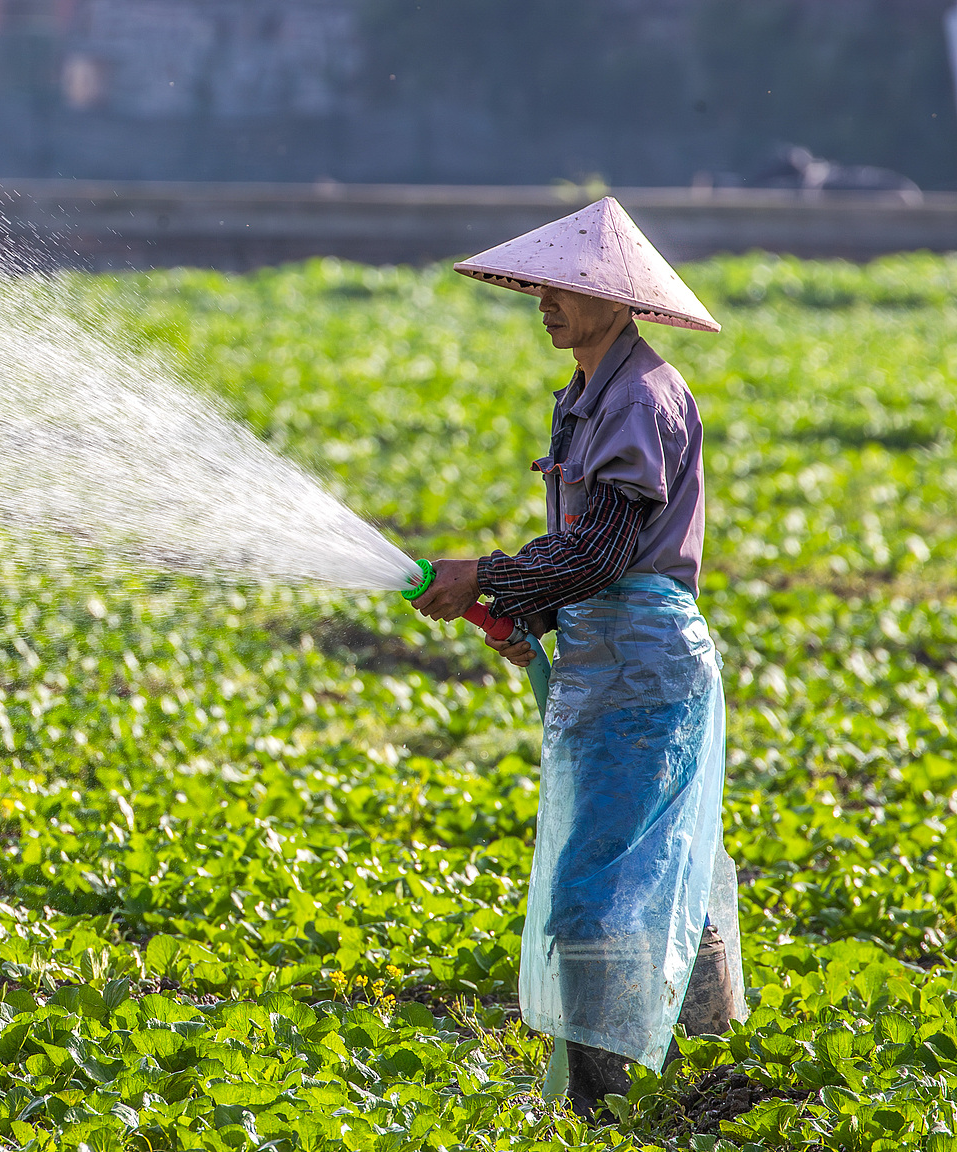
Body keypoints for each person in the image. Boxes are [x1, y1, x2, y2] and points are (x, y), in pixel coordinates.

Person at [409, 198, 744, 1118]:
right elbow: (592, 559)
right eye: (542, 285)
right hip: (610, 658)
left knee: (598, 886)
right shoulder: (589, 393)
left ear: (618, 299)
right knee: (645, 864)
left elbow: (601, 554)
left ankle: (607, 1102)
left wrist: (490, 574)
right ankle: (692, 1074)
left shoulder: (641, 397)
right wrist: (523, 612)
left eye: (568, 286)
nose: (545, 300)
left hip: (642, 667)